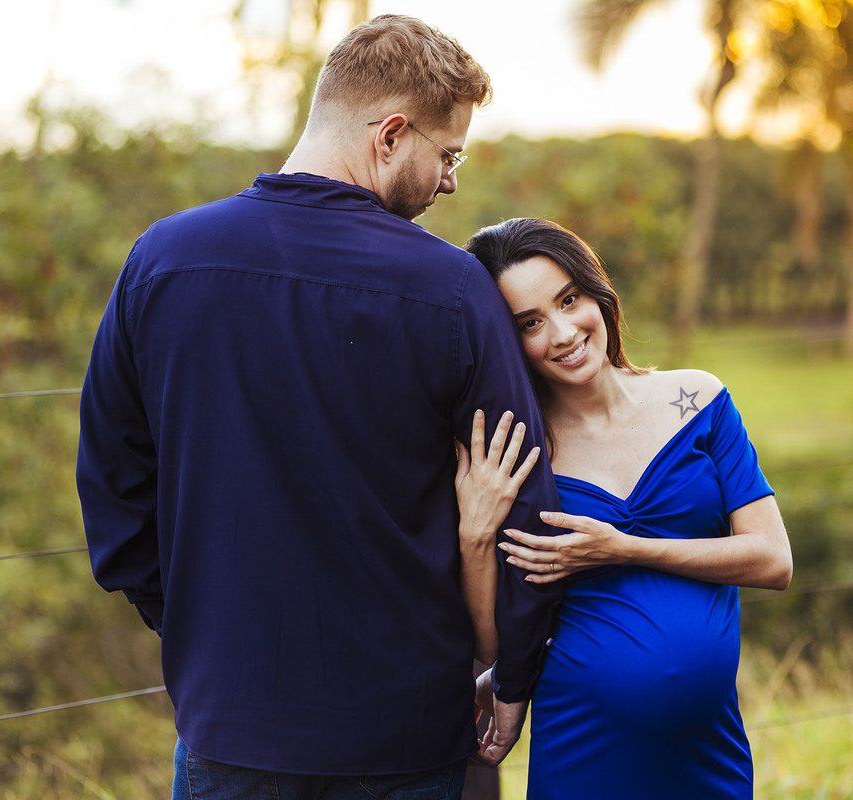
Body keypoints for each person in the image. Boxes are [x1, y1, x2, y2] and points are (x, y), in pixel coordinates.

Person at [75, 15, 563, 800]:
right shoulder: (454, 290)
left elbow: (112, 486)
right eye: (448, 153)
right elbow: (527, 513)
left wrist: (199, 628)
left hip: (232, 724)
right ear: (391, 135)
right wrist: (510, 683)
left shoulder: (162, 261)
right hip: (405, 738)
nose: (450, 181)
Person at [456, 218, 793, 798]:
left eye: (569, 300)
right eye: (530, 323)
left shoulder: (700, 401)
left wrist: (624, 549)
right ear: (507, 343)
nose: (562, 333)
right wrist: (475, 535)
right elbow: (487, 637)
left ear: (598, 293)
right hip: (583, 739)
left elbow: (772, 561)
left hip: (708, 749)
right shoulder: (517, 449)